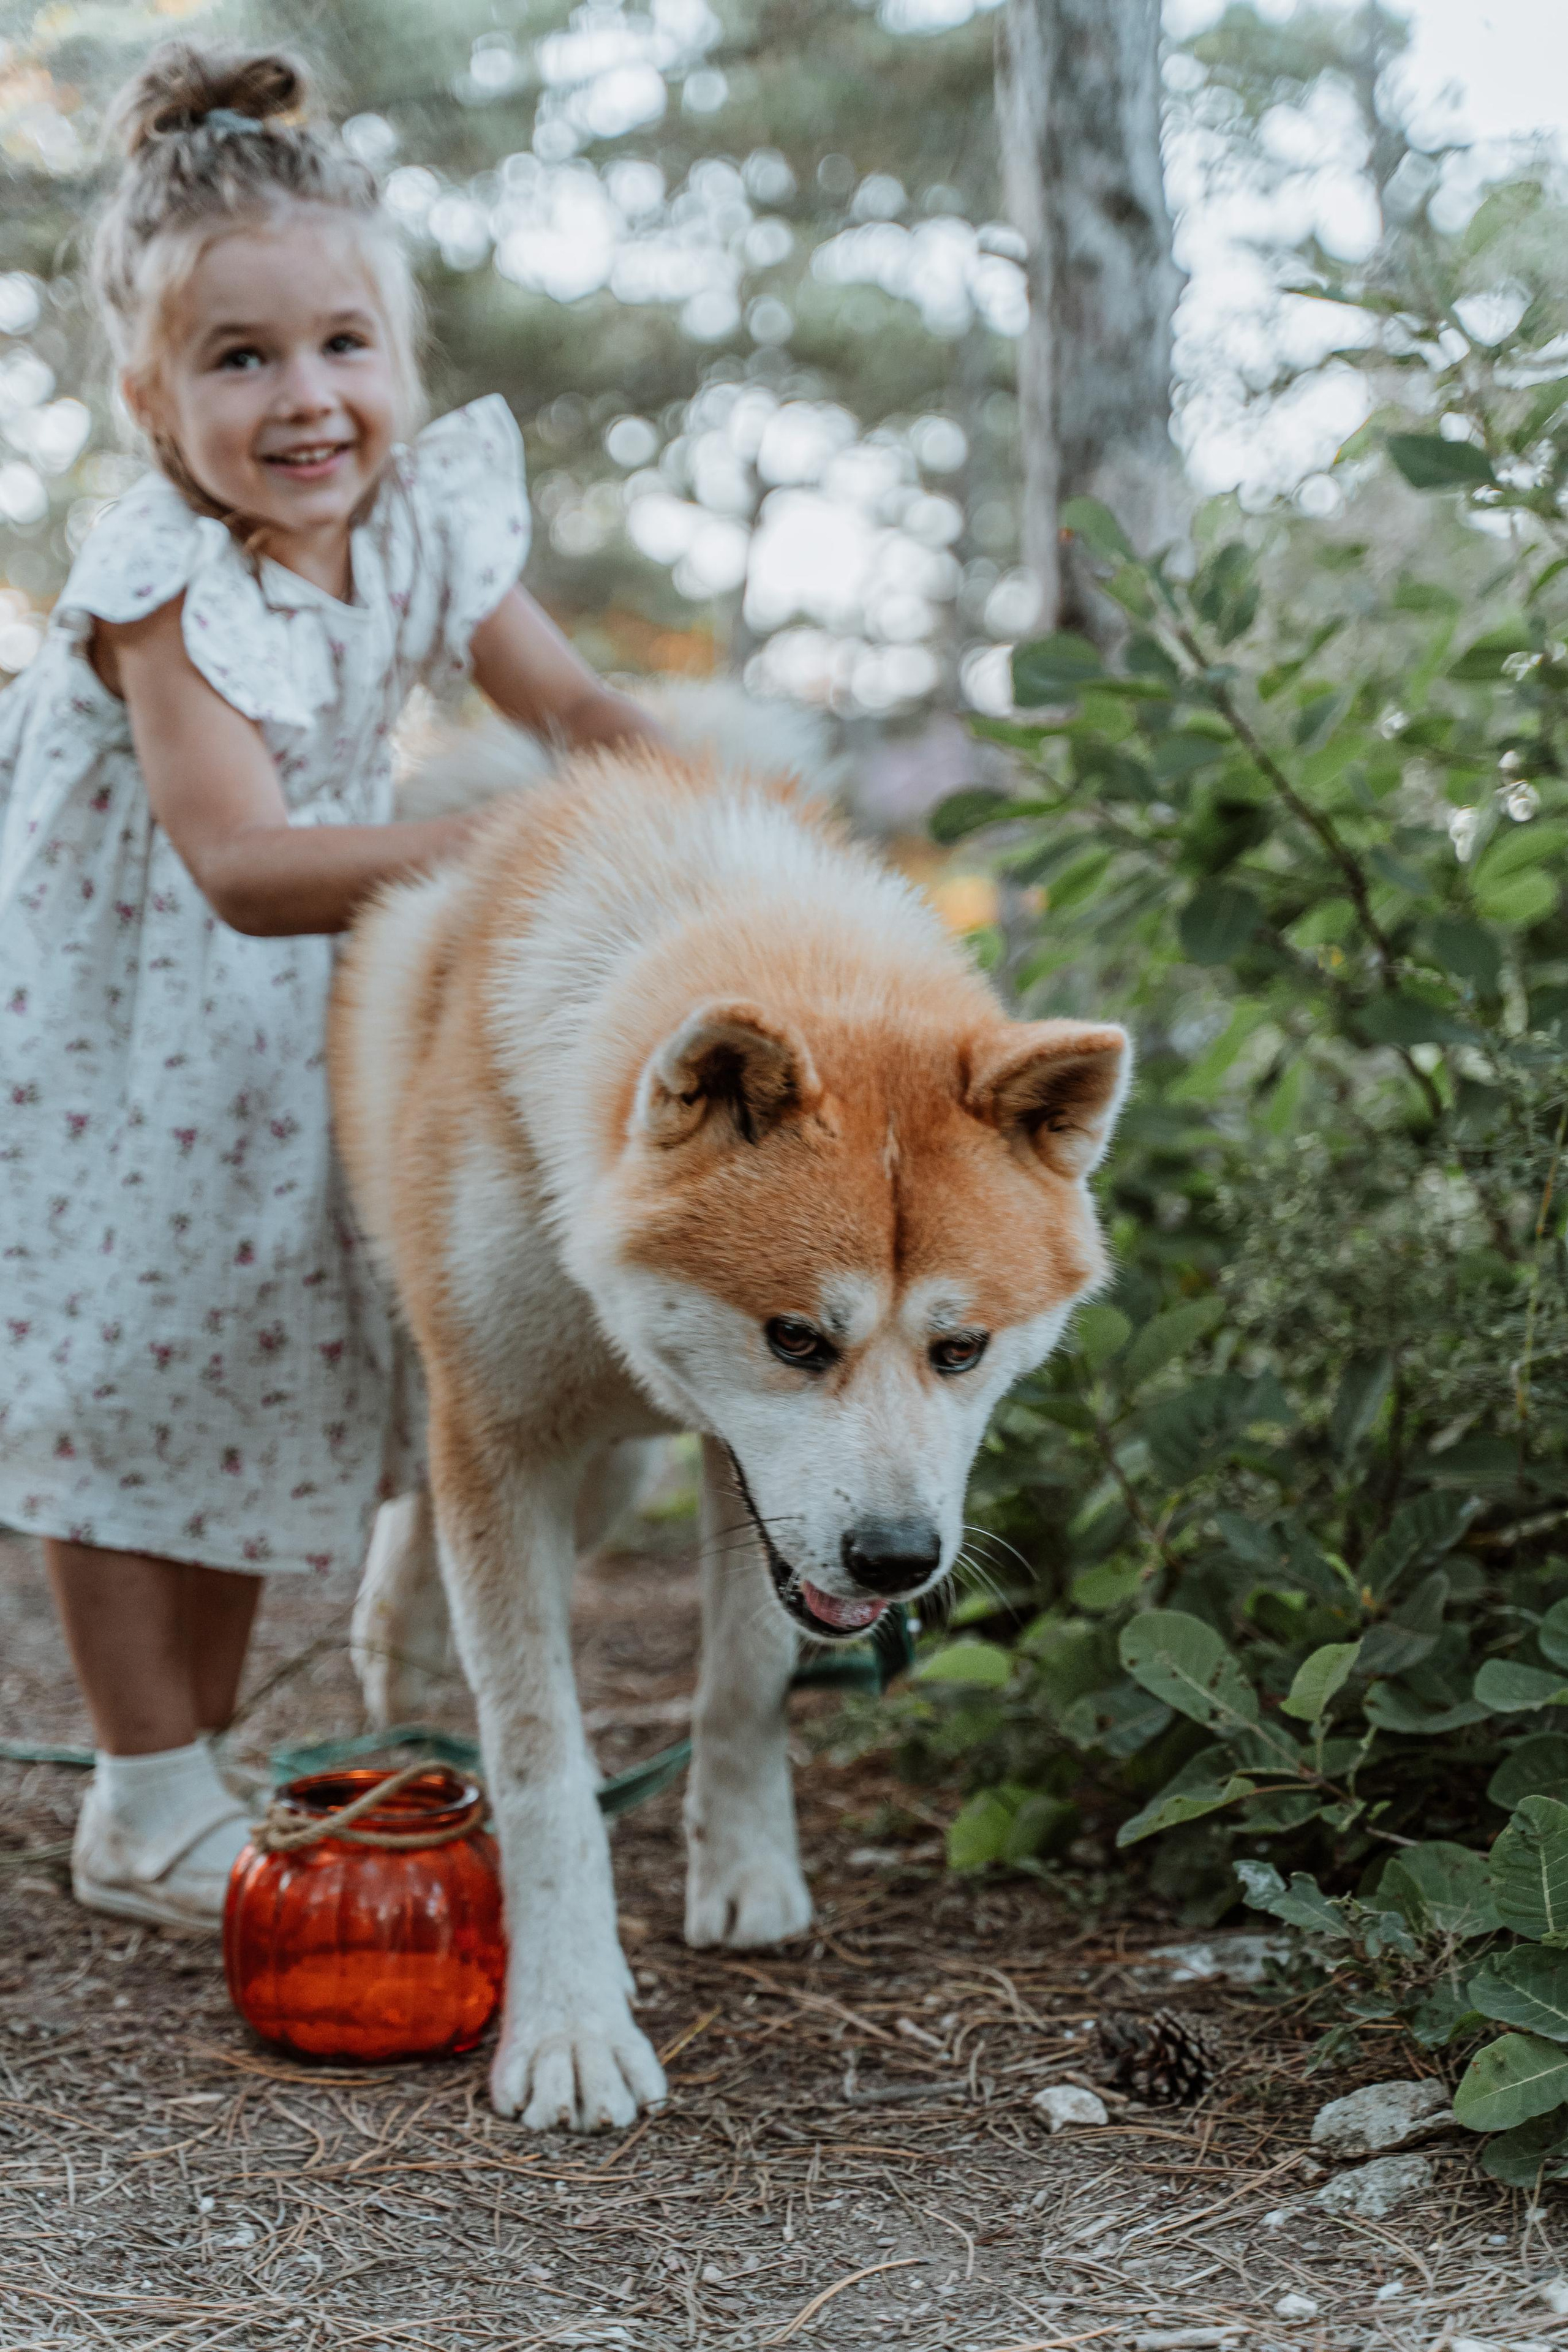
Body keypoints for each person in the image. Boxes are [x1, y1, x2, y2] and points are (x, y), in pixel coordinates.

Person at [0, 40, 664, 1928]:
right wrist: (510, 844)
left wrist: (685, 797)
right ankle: (141, 1790)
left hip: (287, 1037)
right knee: (133, 1383)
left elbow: (579, 709)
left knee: (228, 1383)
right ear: (149, 394)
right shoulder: (158, 586)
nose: (308, 399)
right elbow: (240, 865)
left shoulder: (435, 520)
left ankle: (180, 1780)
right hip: (117, 1036)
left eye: (344, 346)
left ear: (404, 361)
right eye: (242, 359)